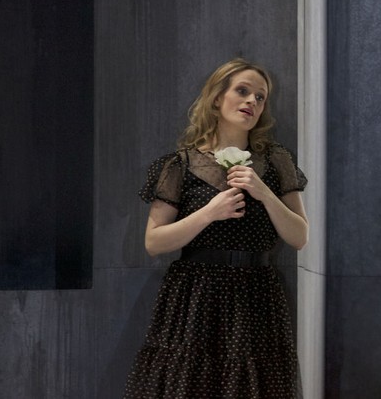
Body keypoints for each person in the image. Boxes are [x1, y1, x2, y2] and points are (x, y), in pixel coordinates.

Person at [124, 58, 308, 398]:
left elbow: (299, 237)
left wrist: (264, 193)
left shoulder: (276, 160)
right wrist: (209, 213)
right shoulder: (179, 164)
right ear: (217, 98)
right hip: (196, 294)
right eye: (242, 91)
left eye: (260, 97)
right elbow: (154, 241)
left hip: (256, 292)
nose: (252, 101)